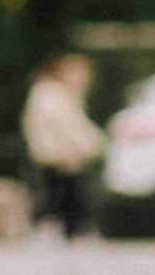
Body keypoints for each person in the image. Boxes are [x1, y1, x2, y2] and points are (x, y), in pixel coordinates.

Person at [21, 50, 108, 238]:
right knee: (66, 194)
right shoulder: (53, 93)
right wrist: (96, 145)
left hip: (54, 152)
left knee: (58, 193)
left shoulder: (47, 91)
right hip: (61, 153)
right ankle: (67, 228)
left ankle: (65, 227)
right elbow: (70, 127)